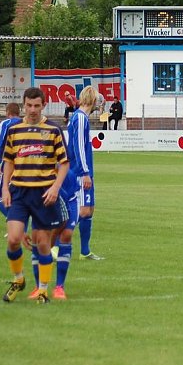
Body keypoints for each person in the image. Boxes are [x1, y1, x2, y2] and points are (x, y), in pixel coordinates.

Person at [0, 87, 69, 304]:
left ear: (43, 105)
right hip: (19, 192)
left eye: (36, 106)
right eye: (28, 105)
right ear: (23, 105)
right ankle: (19, 279)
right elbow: (8, 160)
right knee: (13, 239)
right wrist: (4, 188)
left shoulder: (53, 130)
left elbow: (64, 163)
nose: (32, 110)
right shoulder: (14, 131)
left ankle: (43, 290)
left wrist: (56, 187)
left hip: (44, 193)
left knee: (42, 244)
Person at [68, 86, 103, 261]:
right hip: (80, 172)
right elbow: (79, 147)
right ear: (93, 100)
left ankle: (85, 251)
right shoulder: (80, 118)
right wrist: (85, 172)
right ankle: (58, 243)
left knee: (89, 210)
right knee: (83, 211)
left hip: (84, 170)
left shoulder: (80, 117)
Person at [0, 103, 22, 219]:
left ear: (7, 113)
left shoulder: (6, 123)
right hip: (23, 163)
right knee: (16, 194)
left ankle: (14, 219)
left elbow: (1, 143)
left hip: (8, 162)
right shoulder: (25, 122)